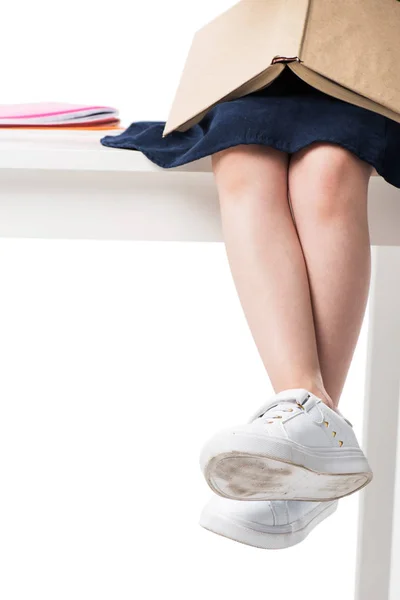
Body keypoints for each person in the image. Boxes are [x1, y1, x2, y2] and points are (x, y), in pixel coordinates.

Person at [101, 65, 400, 549]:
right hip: (268, 70)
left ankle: (310, 432)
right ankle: (312, 427)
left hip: (374, 75)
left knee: (329, 166)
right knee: (242, 155)